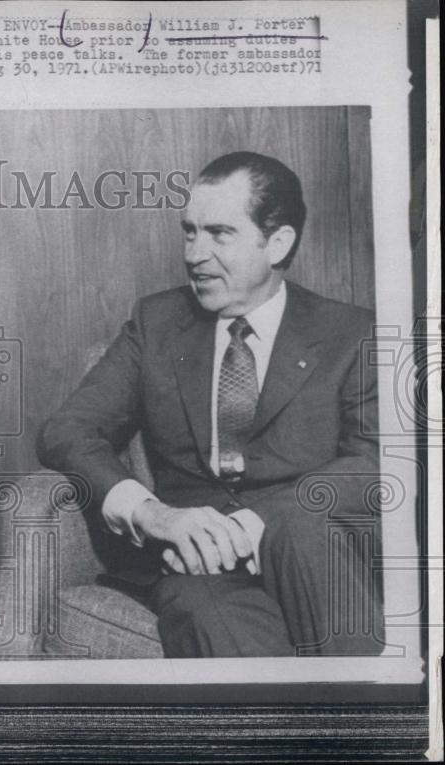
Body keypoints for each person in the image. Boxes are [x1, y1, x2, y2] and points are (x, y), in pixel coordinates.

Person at [38, 152, 384, 658]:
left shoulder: (350, 334)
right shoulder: (156, 324)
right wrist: (154, 515)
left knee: (310, 531)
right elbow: (67, 430)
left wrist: (251, 525)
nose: (195, 254)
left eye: (220, 233)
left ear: (278, 243)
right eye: (190, 232)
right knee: (210, 616)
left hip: (311, 552)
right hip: (195, 567)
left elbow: (375, 461)